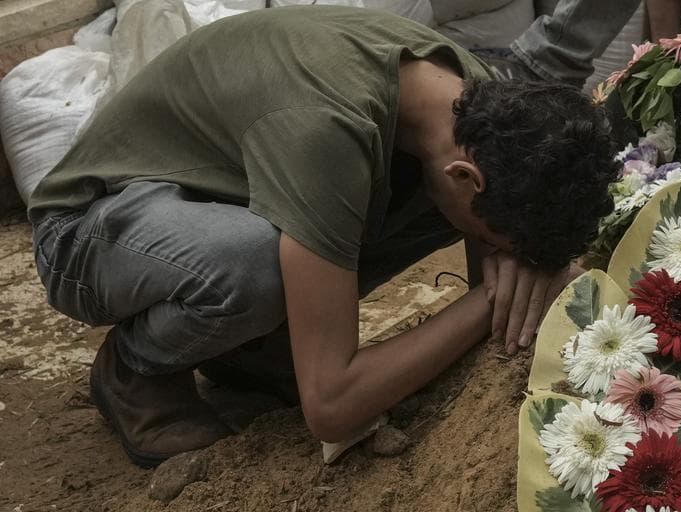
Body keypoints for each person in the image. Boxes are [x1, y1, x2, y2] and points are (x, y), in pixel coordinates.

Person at [27, 5, 617, 467]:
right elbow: (331, 409)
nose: (504, 260)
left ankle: (250, 350)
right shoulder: (327, 132)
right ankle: (136, 367)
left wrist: (521, 256)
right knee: (254, 266)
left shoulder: (476, 105)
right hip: (91, 228)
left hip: (218, 197)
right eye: (504, 242)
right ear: (466, 176)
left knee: (419, 206)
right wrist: (485, 300)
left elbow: (493, 236)